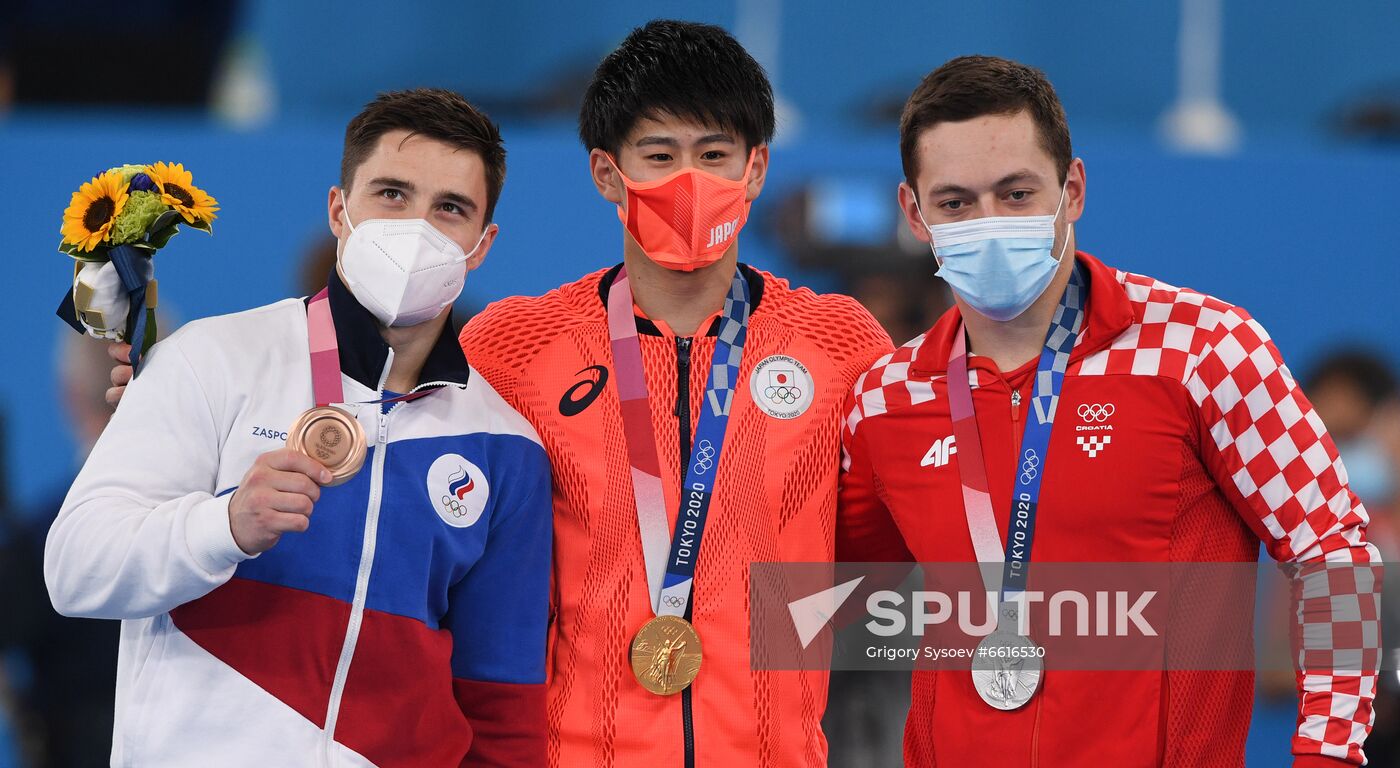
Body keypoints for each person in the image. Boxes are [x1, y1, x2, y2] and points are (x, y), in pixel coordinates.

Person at [837, 56, 1380, 767]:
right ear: (915, 214)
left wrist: (1328, 754)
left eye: (1016, 193)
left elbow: (1334, 555)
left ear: (1073, 191)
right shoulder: (886, 397)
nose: (988, 224)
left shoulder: (1205, 350)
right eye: (956, 203)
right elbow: (817, 596)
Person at [46, 88, 551, 767]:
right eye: (392, 195)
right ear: (340, 211)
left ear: (481, 245)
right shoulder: (210, 360)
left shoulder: (507, 446)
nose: (417, 229)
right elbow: (76, 569)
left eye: (450, 209)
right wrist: (225, 527)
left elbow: (503, 709)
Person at [458, 20, 893, 767]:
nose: (689, 182)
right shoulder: (514, 348)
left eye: (715, 156)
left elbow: (892, 539)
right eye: (658, 157)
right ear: (605, 172)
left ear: (756, 169)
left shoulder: (840, 345)